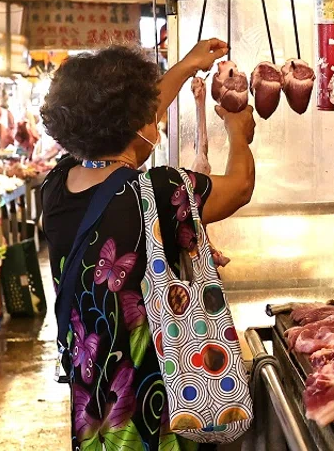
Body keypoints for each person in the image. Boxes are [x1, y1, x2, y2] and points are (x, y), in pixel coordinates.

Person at [38, 40, 255, 451]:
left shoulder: (58, 184)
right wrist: (237, 132)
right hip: (160, 391)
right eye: (149, 116)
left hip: (94, 390)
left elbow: (123, 131)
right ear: (134, 123)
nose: (156, 123)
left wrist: (188, 66)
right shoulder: (159, 191)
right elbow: (240, 188)